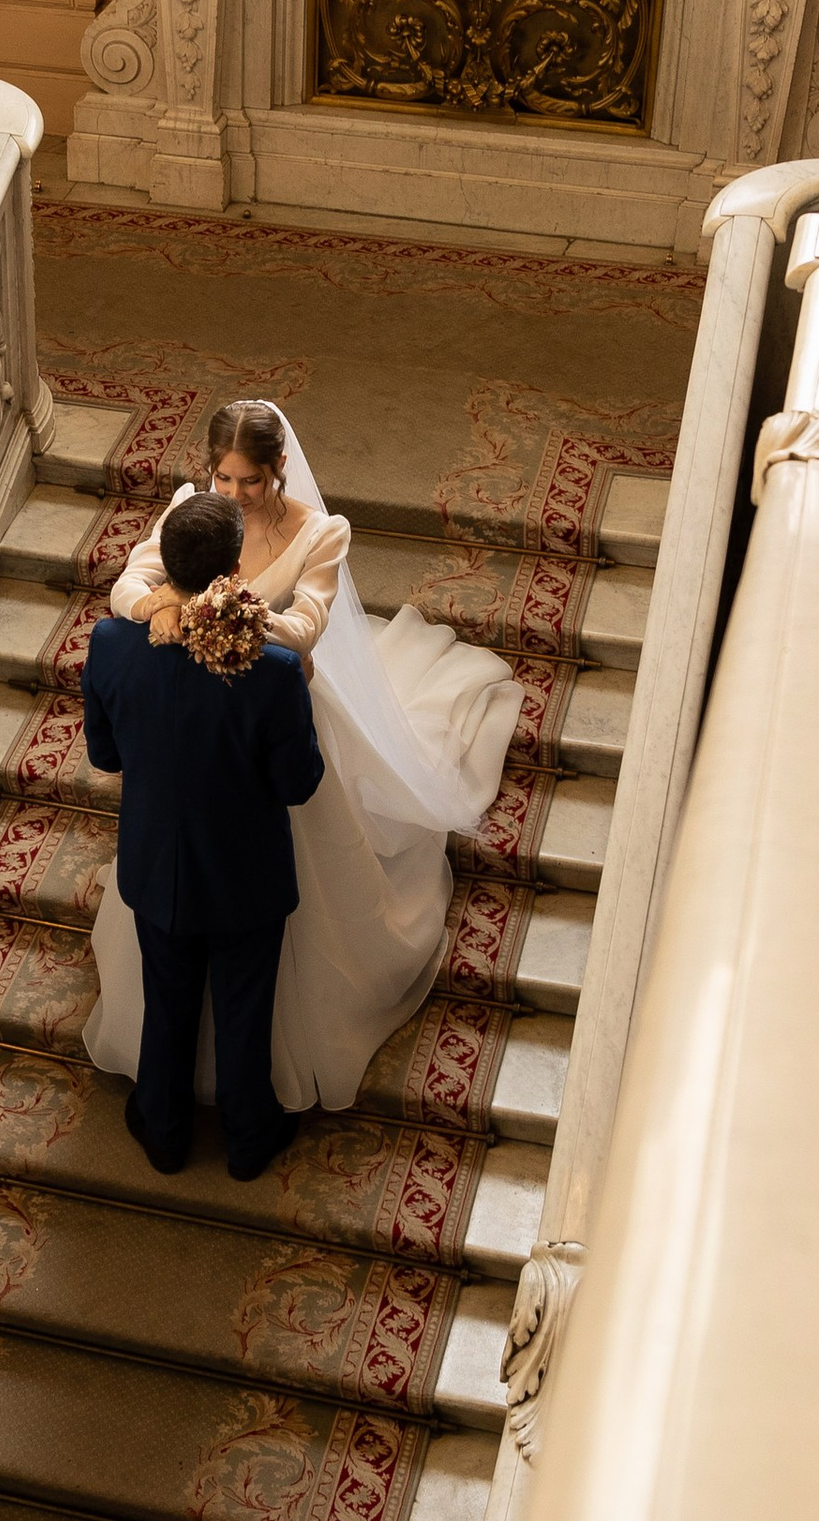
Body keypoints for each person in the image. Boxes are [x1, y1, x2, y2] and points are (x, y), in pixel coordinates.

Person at [85, 397, 521, 1116]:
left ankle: (232, 1097)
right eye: (222, 479)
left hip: (270, 704)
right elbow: (130, 583)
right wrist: (165, 611)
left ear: (277, 471)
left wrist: (236, 621)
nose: (233, 494)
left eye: (248, 482)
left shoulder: (320, 532)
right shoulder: (193, 514)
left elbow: (309, 623)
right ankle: (219, 1109)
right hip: (217, 716)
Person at [80, 491, 325, 1181]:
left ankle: (163, 1130)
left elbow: (105, 756)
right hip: (246, 870)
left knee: (169, 998)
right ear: (232, 569)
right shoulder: (272, 669)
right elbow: (298, 782)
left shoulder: (109, 643)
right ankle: (249, 1139)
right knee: (246, 1008)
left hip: (159, 862)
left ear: (166, 567)